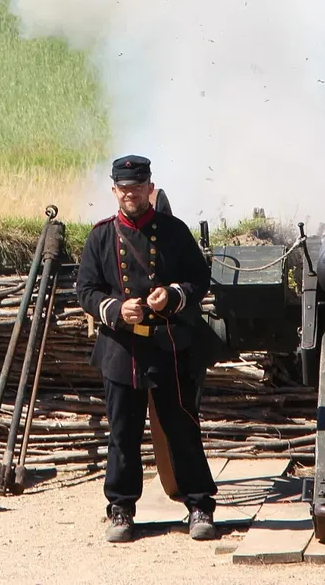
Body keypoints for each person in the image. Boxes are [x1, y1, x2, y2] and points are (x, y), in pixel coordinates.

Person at [77, 154, 218, 543]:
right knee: (122, 434)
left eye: (137, 189)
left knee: (183, 429)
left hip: (169, 348)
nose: (131, 195)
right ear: (114, 190)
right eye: (124, 189)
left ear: (149, 189)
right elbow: (86, 290)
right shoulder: (101, 236)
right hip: (122, 350)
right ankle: (121, 509)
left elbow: (198, 279)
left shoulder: (174, 231)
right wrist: (115, 309)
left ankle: (199, 505)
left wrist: (172, 296)